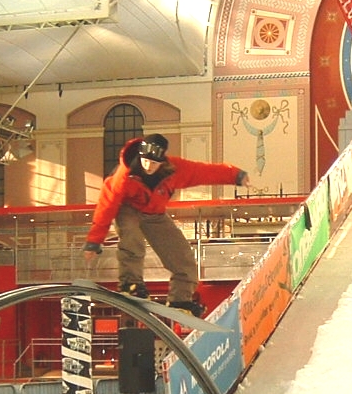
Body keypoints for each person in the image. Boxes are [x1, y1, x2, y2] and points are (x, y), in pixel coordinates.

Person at [82, 132, 249, 316]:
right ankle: (131, 284)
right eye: (145, 161)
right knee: (131, 238)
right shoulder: (124, 175)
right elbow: (106, 206)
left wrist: (236, 176)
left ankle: (180, 299)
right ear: (140, 156)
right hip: (127, 209)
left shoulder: (175, 170)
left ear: (162, 161)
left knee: (182, 253)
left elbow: (203, 172)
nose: (148, 166)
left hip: (154, 214)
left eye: (154, 163)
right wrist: (94, 241)